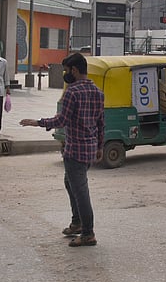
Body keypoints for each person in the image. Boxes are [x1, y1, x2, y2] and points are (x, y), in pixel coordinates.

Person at [20, 52, 104, 247]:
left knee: (80, 190)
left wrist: (37, 122)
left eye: (66, 70)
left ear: (74, 70)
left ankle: (88, 232)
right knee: (71, 182)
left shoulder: (72, 92)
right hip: (90, 149)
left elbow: (61, 120)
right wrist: (100, 146)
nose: (66, 73)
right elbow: (101, 123)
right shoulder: (98, 92)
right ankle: (77, 223)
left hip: (75, 150)